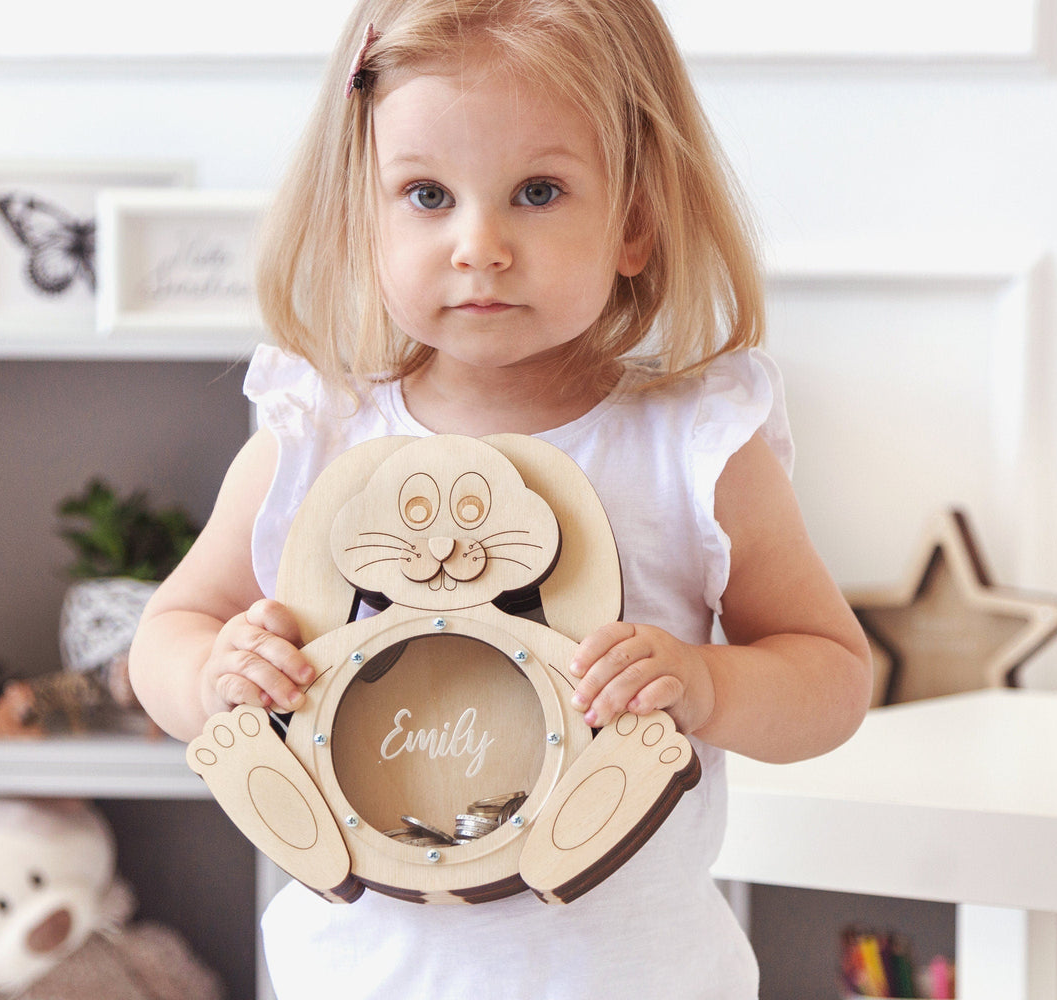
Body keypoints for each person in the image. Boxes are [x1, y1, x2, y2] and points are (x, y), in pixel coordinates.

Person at [129, 0, 873, 996]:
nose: (479, 244)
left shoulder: (691, 449)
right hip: (358, 976)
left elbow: (831, 678)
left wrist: (707, 684)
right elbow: (165, 633)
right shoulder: (317, 440)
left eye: (537, 190)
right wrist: (214, 671)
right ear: (365, 213)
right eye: (428, 195)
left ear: (636, 222)